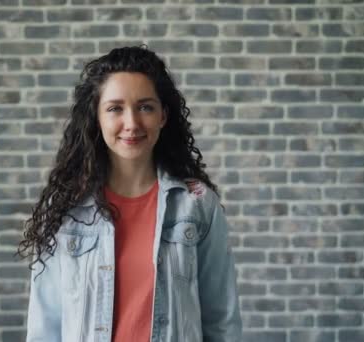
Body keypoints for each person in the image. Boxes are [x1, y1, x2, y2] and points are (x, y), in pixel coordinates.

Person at [18, 45, 242, 342]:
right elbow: (45, 326)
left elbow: (221, 319)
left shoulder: (198, 205)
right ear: (96, 118)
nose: (132, 123)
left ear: (163, 115)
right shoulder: (65, 208)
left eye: (145, 107)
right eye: (115, 108)